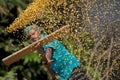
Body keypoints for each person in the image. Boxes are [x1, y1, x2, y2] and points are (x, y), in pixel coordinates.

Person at [24, 24, 88, 80]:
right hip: (64, 75)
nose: (32, 37)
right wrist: (53, 76)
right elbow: (50, 64)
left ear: (38, 31)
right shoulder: (40, 49)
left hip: (72, 68)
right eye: (29, 37)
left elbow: (49, 50)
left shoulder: (47, 39)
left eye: (33, 34)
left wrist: (47, 59)